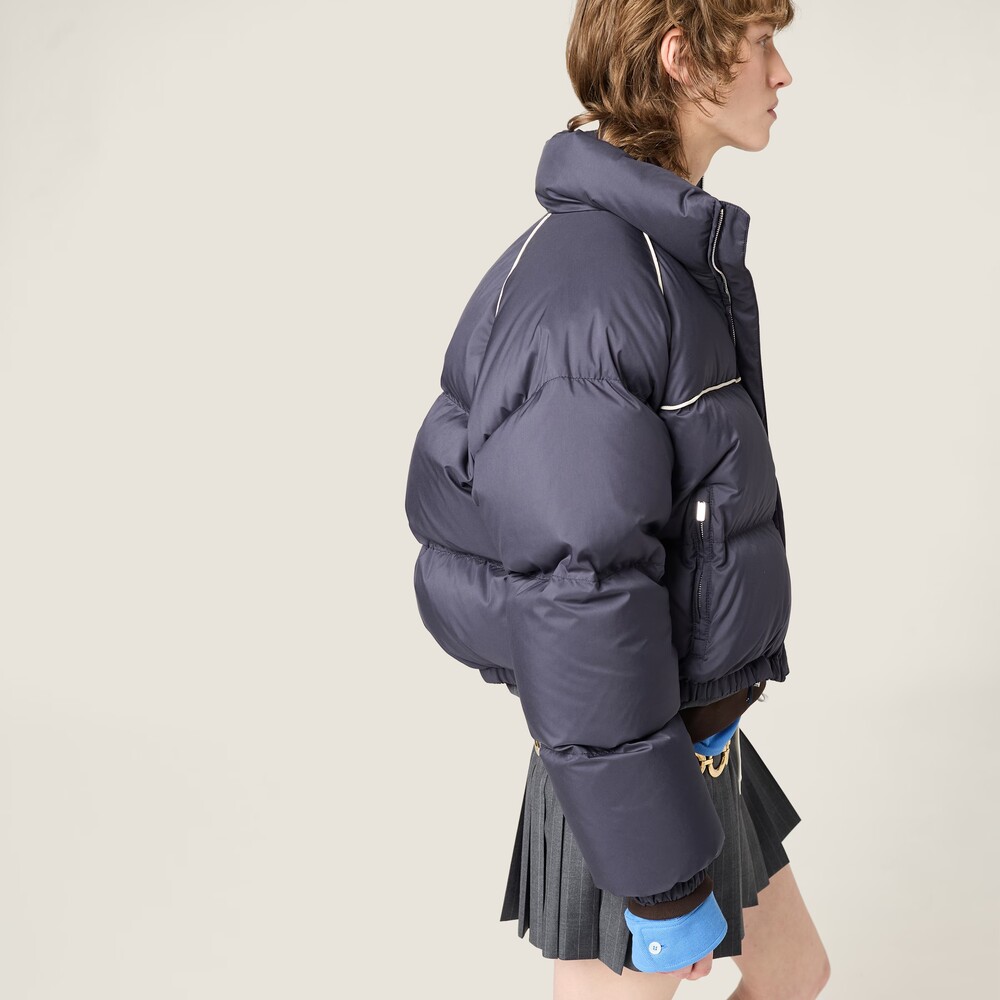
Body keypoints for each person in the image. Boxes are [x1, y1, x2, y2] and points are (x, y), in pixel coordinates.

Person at [404, 1, 830, 996]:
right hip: (622, 750)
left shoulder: (663, 257)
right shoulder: (594, 284)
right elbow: (579, 588)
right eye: (761, 44)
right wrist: (660, 886)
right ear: (683, 58)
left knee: (793, 970)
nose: (781, 74)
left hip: (690, 735)